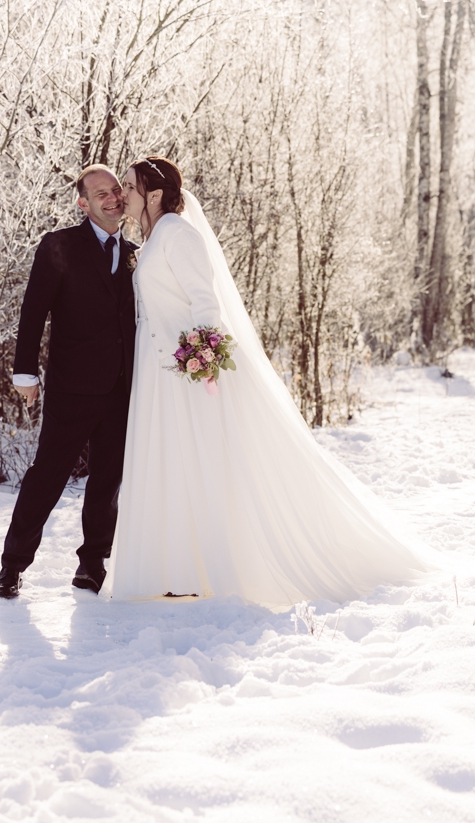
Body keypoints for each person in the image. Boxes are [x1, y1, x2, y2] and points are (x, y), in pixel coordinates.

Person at [109, 156, 430, 605]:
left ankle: (200, 568)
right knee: (169, 461)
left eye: (130, 185)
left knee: (192, 461)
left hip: (184, 373)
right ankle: (174, 567)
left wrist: (201, 360)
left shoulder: (179, 236)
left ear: (155, 194)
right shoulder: (153, 237)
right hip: (158, 370)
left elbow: (206, 305)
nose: (122, 194)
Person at [0, 166, 137, 599]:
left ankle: (92, 565)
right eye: (100, 194)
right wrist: (25, 372)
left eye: (115, 191)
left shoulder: (135, 253)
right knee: (47, 476)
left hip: (121, 389)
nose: (112, 199)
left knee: (108, 480)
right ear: (83, 203)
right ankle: (12, 566)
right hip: (71, 389)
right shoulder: (59, 246)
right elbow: (33, 312)